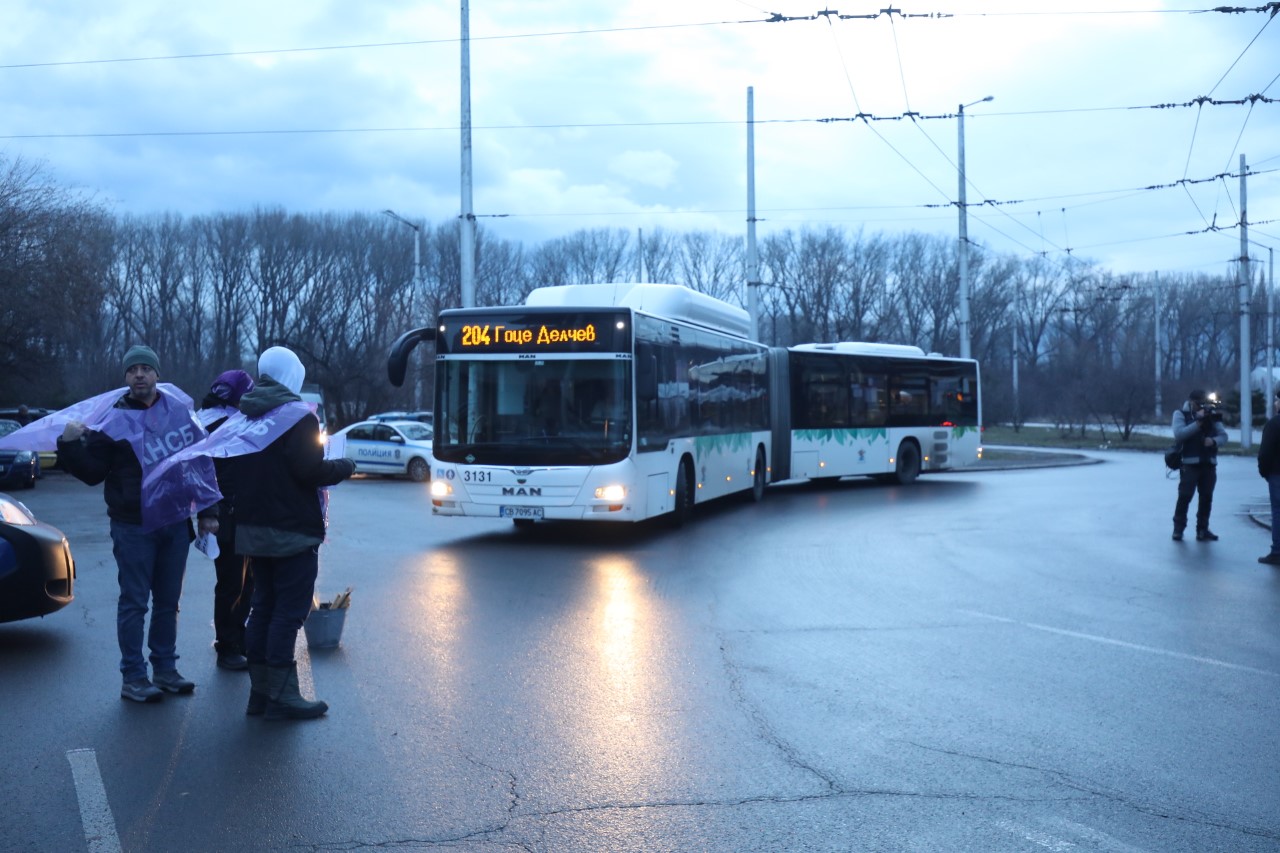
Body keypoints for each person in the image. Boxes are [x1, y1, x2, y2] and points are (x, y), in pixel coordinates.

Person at [57, 345, 220, 703]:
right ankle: (133, 677)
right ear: (126, 377)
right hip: (133, 525)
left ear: (157, 374)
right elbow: (93, 473)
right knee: (134, 602)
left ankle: (164, 669)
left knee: (168, 600)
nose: (140, 375)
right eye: (133, 370)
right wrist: (69, 446)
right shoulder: (112, 421)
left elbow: (197, 461)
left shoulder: (177, 413)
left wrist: (209, 510)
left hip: (175, 520)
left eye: (146, 368)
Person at [233, 347, 355, 721]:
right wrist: (343, 466)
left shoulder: (245, 413)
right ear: (292, 376)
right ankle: (284, 696)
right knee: (289, 612)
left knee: (263, 607)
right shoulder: (297, 416)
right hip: (291, 531)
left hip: (253, 527)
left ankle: (260, 694)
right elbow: (308, 470)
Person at [198, 370, 257, 670]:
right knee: (235, 583)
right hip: (228, 513)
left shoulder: (203, 419)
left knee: (237, 581)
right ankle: (229, 644)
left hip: (225, 512)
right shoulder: (230, 424)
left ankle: (235, 638)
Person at [1171, 389, 1229, 542]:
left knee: (1206, 498)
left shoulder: (1211, 415)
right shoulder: (1180, 414)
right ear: (1191, 402)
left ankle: (1202, 529)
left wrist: (1214, 441)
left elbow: (1224, 436)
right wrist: (1198, 423)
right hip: (1189, 464)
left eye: (1204, 403)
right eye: (1199, 404)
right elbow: (1179, 434)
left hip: (1209, 464)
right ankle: (1178, 529)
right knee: (1184, 497)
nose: (1201, 406)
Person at [1257, 394, 1280, 564]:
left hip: (1277, 474)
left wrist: (1264, 472)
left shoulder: (1274, 424)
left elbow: (1265, 453)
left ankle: (1277, 551)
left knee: (1278, 512)